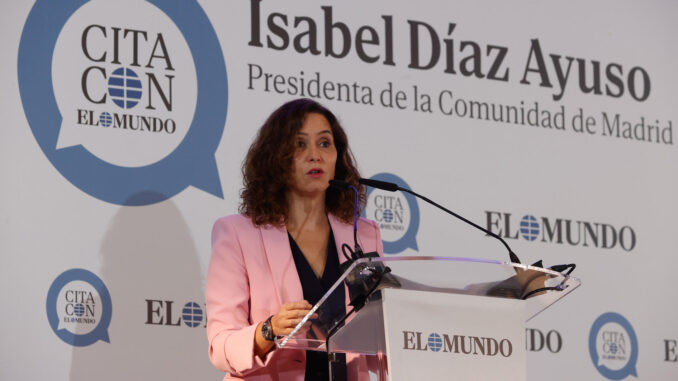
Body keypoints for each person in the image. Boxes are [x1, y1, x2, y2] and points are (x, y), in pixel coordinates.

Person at [205, 98, 384, 381]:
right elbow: (221, 346)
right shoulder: (238, 234)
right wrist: (270, 329)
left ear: (338, 157)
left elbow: (379, 337)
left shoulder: (363, 235)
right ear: (277, 158)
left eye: (325, 144)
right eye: (300, 144)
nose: (315, 155)